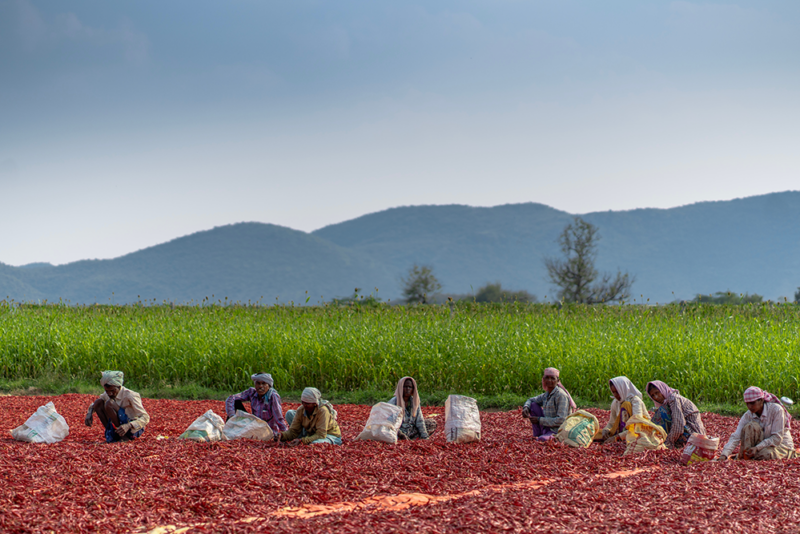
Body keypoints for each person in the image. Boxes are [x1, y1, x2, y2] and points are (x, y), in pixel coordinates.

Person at [718, 386, 796, 461]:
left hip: (781, 445)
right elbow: (736, 436)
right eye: (747, 404)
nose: (749, 406)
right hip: (762, 445)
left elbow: (777, 438)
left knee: (765, 454)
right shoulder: (748, 415)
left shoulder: (776, 410)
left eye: (752, 403)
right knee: (750, 426)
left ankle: (750, 455)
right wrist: (724, 455)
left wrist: (757, 448)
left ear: (761, 400)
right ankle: (748, 455)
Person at [84, 371, 150, 443]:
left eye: (112, 390)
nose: (110, 393)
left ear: (119, 387)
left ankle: (124, 437)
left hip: (131, 429)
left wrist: (128, 425)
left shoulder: (130, 395)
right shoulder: (108, 394)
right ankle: (112, 435)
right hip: (118, 427)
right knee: (98, 402)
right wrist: (89, 413)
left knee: (109, 403)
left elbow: (146, 417)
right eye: (107, 391)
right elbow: (95, 404)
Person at [646, 380, 706, 449]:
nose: (656, 397)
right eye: (653, 395)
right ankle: (655, 440)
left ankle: (657, 441)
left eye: (657, 393)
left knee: (662, 412)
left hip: (694, 436)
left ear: (662, 390)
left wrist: (668, 442)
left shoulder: (674, 399)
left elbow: (679, 424)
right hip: (692, 434)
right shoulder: (668, 401)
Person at [522, 367, 577, 441]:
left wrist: (539, 420)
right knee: (533, 405)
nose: (549, 380)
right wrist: (526, 407)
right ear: (543, 380)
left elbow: (561, 420)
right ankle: (538, 434)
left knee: (542, 440)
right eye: (547, 378)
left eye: (552, 378)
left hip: (557, 430)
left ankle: (544, 436)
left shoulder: (561, 396)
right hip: (547, 427)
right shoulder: (546, 394)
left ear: (557, 381)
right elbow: (530, 400)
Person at [275, 387, 342, 446]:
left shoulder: (323, 411)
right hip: (311, 433)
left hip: (329, 435)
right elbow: (293, 432)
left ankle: (307, 438)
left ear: (315, 404)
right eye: (303, 402)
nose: (304, 405)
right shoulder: (301, 410)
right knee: (290, 413)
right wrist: (282, 435)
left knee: (315, 444)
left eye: (307, 403)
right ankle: (306, 438)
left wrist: (302, 441)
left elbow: (321, 435)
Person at [599, 376, 647, 443]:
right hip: (622, 432)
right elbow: (612, 423)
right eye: (613, 392)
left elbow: (637, 425)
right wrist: (606, 430)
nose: (615, 395)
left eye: (617, 392)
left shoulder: (636, 401)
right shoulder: (616, 402)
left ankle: (623, 436)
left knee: (626, 404)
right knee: (598, 434)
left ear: (624, 389)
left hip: (640, 430)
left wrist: (617, 437)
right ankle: (623, 436)